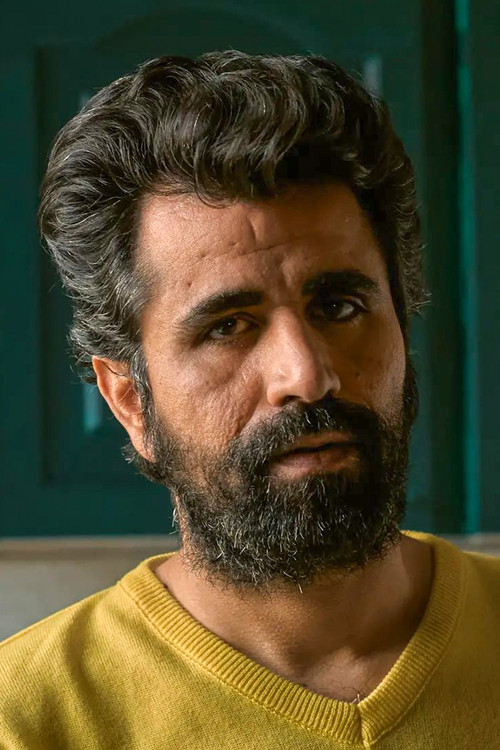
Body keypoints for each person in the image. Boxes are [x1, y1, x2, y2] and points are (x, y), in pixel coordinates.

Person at [1, 50, 499, 748]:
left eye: (340, 306)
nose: (307, 376)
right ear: (130, 400)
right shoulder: (27, 720)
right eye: (227, 327)